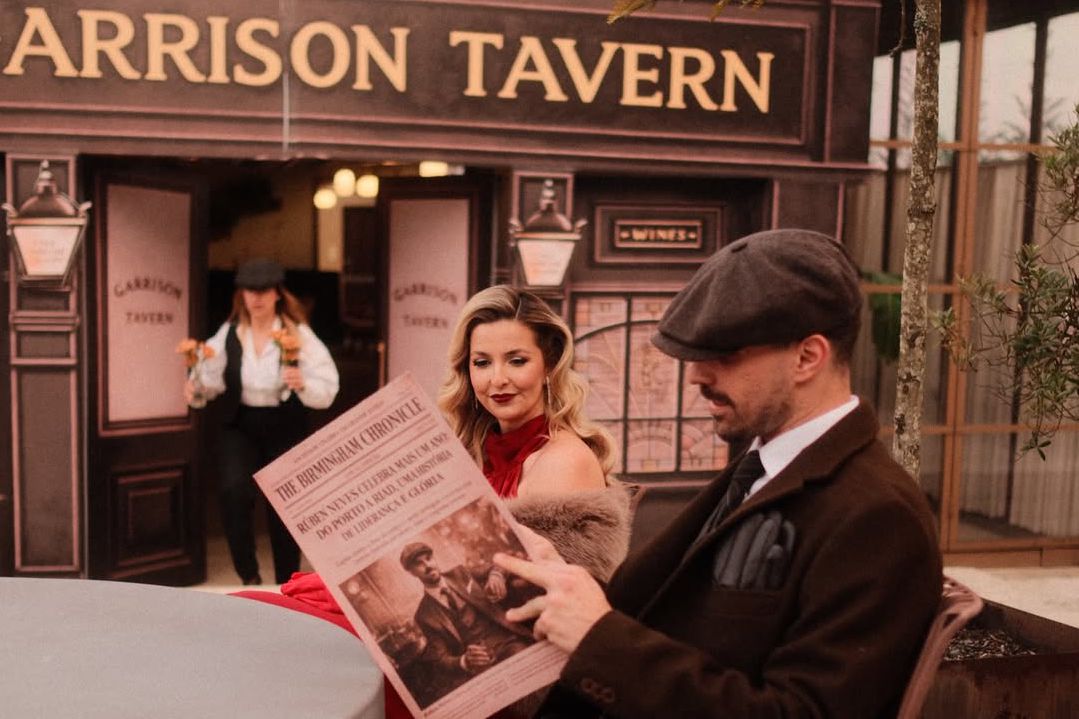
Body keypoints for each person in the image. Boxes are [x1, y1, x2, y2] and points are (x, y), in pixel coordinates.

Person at [495, 229, 944, 718]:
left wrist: (598, 638)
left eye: (725, 355)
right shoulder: (761, 467)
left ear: (807, 358)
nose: (696, 375)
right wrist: (562, 584)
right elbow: (666, 618)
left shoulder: (877, 516)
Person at [186, 258, 339, 585]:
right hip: (241, 424)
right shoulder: (229, 334)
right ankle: (249, 575)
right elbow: (208, 379)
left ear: (277, 293)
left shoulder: (297, 334)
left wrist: (303, 383)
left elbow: (328, 387)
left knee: (285, 505)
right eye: (249, 290)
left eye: (264, 290)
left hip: (285, 423)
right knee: (233, 492)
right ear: (241, 294)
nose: (256, 297)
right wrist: (196, 385)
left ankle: (287, 581)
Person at [399, 541, 533, 699]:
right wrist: (464, 661)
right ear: (411, 572)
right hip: (481, 666)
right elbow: (440, 658)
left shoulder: (460, 573)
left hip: (507, 643)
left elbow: (499, 565)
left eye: (428, 558)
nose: (428, 565)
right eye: (419, 564)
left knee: (527, 675)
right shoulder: (424, 615)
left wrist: (496, 576)